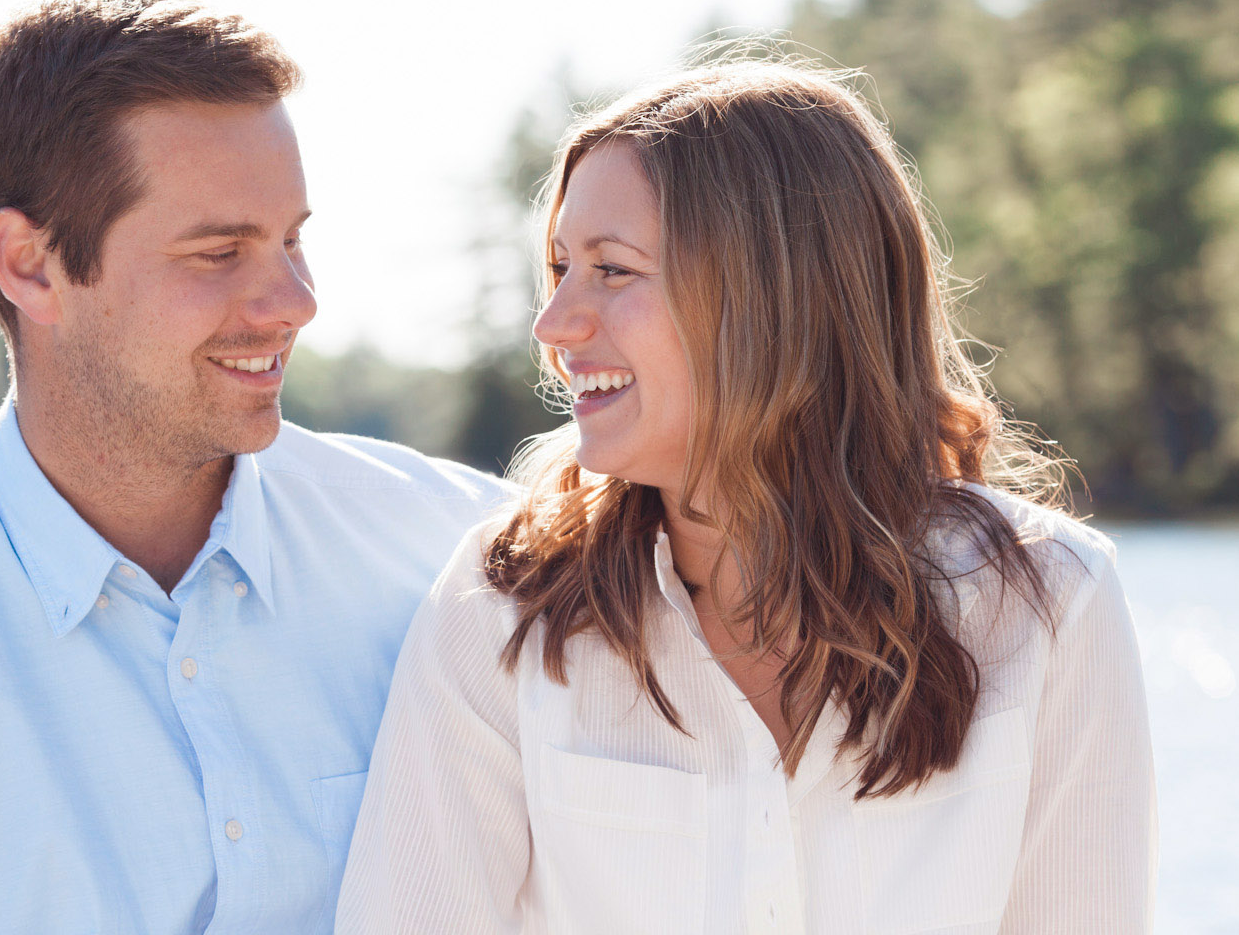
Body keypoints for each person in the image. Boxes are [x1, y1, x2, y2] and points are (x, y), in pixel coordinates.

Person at [0, 0, 507, 934]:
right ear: (30, 264)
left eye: (291, 239)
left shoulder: (468, 557)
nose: (296, 301)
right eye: (219, 252)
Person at [337, 54, 1157, 934]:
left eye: (612, 270)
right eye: (559, 267)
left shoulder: (1050, 602)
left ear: (774, 299)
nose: (554, 324)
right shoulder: (502, 609)